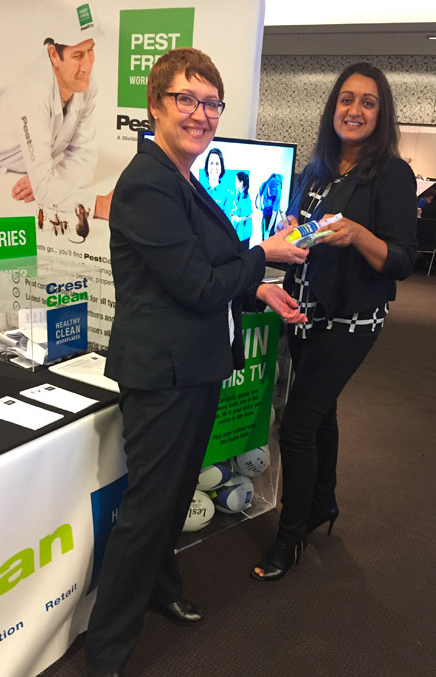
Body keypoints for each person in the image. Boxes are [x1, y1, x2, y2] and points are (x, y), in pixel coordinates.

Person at [84, 47, 308, 676]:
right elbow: (195, 285)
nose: (202, 114)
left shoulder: (184, 176)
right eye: (187, 99)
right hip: (163, 372)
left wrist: (258, 284)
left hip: (197, 365)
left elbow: (214, 265)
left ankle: (161, 586)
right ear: (156, 104)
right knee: (151, 508)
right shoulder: (147, 183)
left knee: (176, 491)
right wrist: (265, 253)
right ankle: (106, 652)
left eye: (212, 103)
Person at [251, 62, 417, 582]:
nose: (355, 110)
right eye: (347, 99)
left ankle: (290, 536)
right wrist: (294, 229)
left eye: (368, 102)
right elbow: (304, 230)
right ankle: (323, 504)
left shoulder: (391, 173)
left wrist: (357, 235)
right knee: (320, 413)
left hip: (352, 318)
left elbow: (402, 260)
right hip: (305, 307)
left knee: (297, 424)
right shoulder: (318, 169)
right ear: (333, 108)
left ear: (380, 114)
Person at [0, 1, 112, 219]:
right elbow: (45, 189)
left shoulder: (86, 83)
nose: (87, 66)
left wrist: (49, 179)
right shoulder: (33, 89)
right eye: (77, 55)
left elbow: (84, 160)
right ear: (54, 54)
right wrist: (101, 205)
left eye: (90, 51)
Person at [202, 147, 231, 216]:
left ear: (221, 167)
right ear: (207, 166)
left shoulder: (227, 194)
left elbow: (227, 223)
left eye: (217, 164)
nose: (214, 167)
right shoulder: (199, 189)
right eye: (211, 163)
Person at [256, 172, 283, 239]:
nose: (271, 195)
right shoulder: (264, 185)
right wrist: (259, 204)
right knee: (263, 228)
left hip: (272, 210)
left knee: (270, 232)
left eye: (272, 193)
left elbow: (274, 215)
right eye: (270, 193)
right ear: (268, 187)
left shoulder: (277, 194)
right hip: (265, 209)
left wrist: (268, 231)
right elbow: (259, 193)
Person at [230, 171, 253, 249]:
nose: (235, 183)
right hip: (239, 231)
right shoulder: (238, 194)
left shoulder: (246, 198)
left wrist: (238, 219)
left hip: (244, 232)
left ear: (241, 183)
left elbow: (250, 215)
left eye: (236, 181)